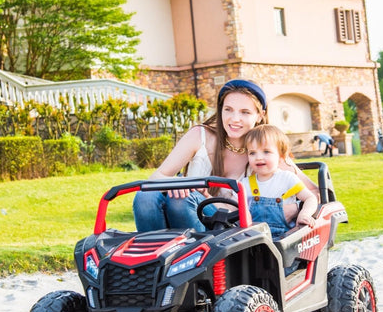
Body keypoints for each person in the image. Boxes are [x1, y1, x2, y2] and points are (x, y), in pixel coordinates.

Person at [132, 78, 317, 232]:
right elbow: (157, 177)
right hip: (186, 211)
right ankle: (152, 263)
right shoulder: (200, 136)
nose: (234, 119)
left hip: (227, 229)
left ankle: (192, 270)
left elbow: (315, 192)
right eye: (228, 109)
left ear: (260, 115)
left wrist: (292, 210)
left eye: (245, 112)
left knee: (180, 202)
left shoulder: (264, 153)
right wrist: (175, 183)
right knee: (145, 197)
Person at [238, 125, 318, 236]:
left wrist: (304, 214)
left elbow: (310, 198)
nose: (258, 157)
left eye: (266, 151)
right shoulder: (245, 184)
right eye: (252, 153)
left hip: (285, 238)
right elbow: (233, 207)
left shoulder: (287, 178)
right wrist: (208, 198)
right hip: (254, 240)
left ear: (281, 156)